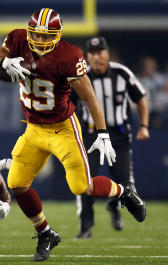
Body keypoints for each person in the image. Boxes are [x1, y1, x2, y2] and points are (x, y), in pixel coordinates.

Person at [0, 8, 146, 261]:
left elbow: (89, 97)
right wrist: (4, 61)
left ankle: (124, 192)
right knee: (16, 184)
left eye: (48, 36)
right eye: (37, 35)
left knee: (82, 187)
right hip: (33, 129)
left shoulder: (69, 55)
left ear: (58, 36)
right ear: (29, 32)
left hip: (63, 129)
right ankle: (46, 233)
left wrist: (102, 133)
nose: (42, 41)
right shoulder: (18, 40)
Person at [73, 37, 150, 239]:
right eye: (92, 53)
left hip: (119, 135)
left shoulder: (122, 73)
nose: (96, 57)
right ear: (87, 56)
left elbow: (140, 98)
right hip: (91, 134)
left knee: (125, 180)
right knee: (84, 181)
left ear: (108, 54)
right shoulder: (81, 76)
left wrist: (144, 125)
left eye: (100, 52)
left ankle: (115, 205)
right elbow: (68, 105)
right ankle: (85, 226)